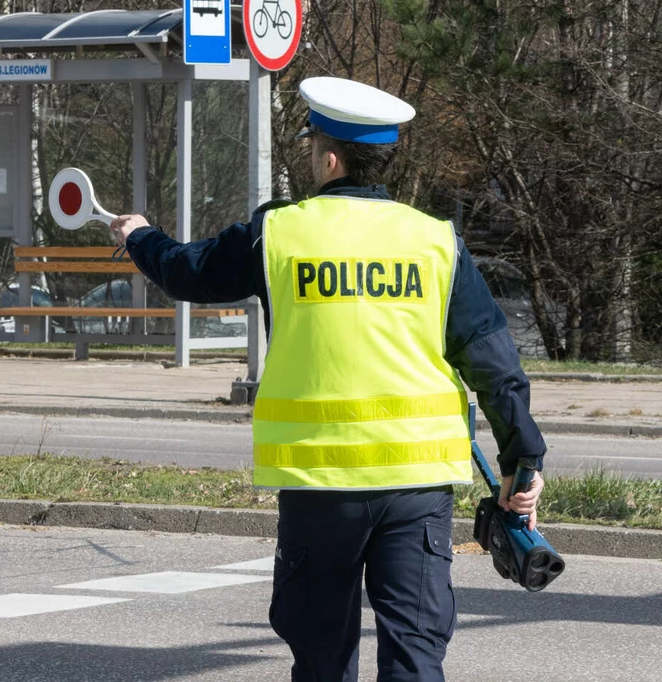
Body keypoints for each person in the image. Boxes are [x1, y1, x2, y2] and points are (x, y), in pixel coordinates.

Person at [110, 76, 547, 681]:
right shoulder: (435, 242)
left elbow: (190, 274)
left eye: (314, 143)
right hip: (416, 487)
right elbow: (495, 365)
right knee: (416, 654)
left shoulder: (280, 232)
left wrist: (140, 237)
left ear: (331, 157)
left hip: (319, 483)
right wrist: (522, 463)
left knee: (321, 655)